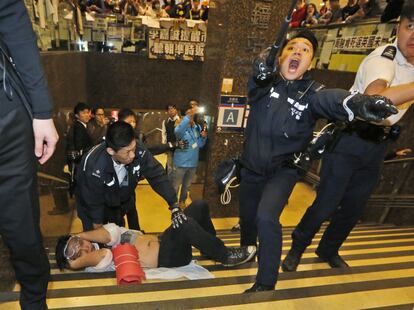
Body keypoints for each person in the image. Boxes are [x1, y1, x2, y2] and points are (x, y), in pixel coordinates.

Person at [239, 29, 397, 293]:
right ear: (280, 57)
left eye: (305, 50)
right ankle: (247, 249)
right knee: (247, 220)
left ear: (310, 63)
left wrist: (358, 103)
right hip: (251, 168)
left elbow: (333, 100)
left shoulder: (313, 93)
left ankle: (265, 283)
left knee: (266, 218)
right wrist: (259, 68)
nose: (297, 52)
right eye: (291, 48)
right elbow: (256, 81)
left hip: (284, 170)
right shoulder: (264, 84)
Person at [282, 4, 414, 273]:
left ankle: (328, 250)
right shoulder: (384, 57)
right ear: (397, 28)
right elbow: (376, 98)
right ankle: (297, 248)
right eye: (410, 26)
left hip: (378, 146)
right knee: (326, 204)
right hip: (349, 140)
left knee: (354, 208)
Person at [0, 0, 59, 309]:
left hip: (6, 120)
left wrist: (42, 110)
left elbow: (13, 21)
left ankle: (34, 301)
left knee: (23, 231)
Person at [56, 200, 256, 272]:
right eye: (76, 253)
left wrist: (78, 235)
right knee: (185, 225)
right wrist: (69, 262)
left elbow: (111, 234)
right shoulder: (98, 261)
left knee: (199, 206)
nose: (83, 248)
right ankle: (225, 256)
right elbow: (102, 254)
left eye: (79, 242)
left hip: (165, 239)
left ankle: (209, 247)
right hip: (168, 258)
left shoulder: (102, 236)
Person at [75, 121, 187, 232]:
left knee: (118, 230)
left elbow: (156, 174)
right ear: (111, 151)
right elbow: (93, 203)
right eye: (127, 152)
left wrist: (174, 205)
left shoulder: (137, 148)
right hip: (91, 207)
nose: (133, 155)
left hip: (118, 202)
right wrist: (99, 233)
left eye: (133, 148)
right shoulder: (94, 167)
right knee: (98, 238)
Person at [172, 100, 207, 208]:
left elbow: (200, 145)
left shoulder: (197, 127)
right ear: (186, 111)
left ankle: (182, 201)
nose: (194, 111)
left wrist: (204, 137)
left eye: (195, 108)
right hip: (181, 163)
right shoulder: (180, 124)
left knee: (186, 186)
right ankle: (173, 203)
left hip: (192, 163)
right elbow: (177, 133)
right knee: (176, 185)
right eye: (191, 108)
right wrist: (188, 117)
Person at [162, 104, 180, 175]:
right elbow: (164, 134)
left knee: (177, 167)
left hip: (179, 148)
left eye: (173, 108)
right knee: (169, 167)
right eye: (169, 109)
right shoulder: (165, 122)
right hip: (169, 147)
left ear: (176, 110)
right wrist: (164, 147)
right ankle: (169, 184)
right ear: (167, 111)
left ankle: (176, 184)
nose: (171, 110)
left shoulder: (181, 120)